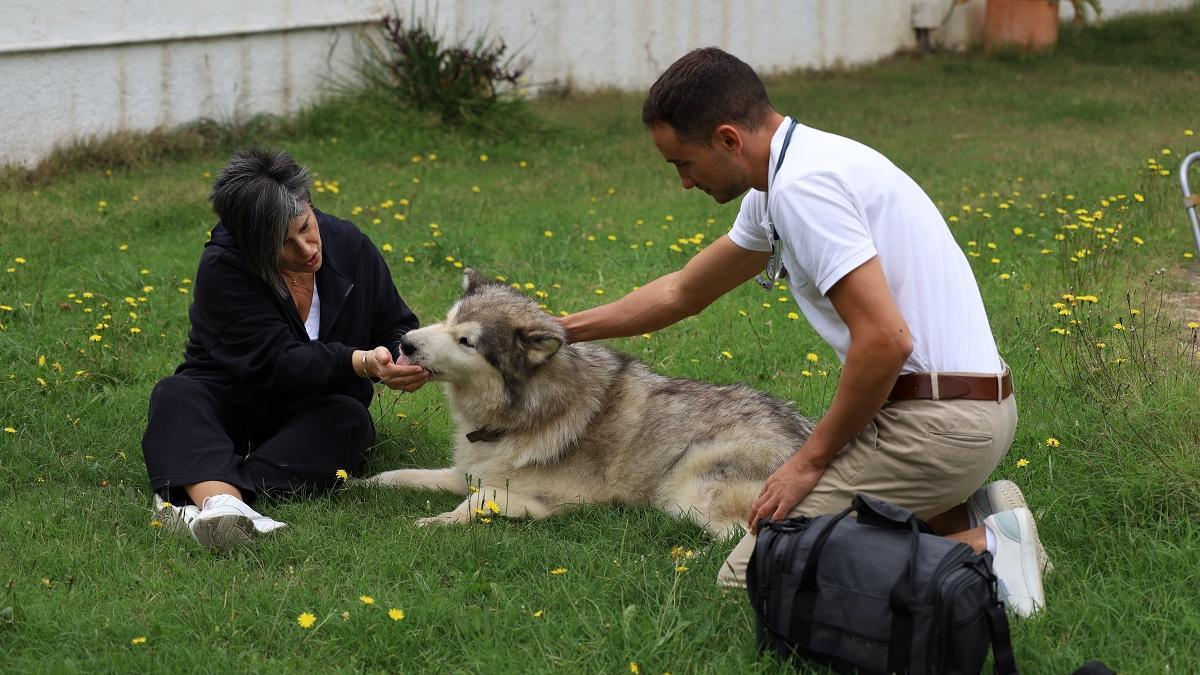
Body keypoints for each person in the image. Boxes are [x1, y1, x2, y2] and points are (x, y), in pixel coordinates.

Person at [561, 48, 1048, 616]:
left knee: (757, 570)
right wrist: (557, 331)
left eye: (682, 163)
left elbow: (886, 341)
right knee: (795, 542)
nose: (684, 183)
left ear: (726, 138)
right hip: (958, 409)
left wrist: (809, 461)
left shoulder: (804, 189)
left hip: (938, 426)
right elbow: (682, 293)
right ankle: (968, 516)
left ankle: (987, 549)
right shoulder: (787, 177)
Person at [142, 147, 429, 550]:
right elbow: (274, 362)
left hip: (315, 408)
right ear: (252, 245)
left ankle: (207, 499)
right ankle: (224, 504)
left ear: (310, 205)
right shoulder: (224, 268)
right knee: (176, 395)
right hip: (235, 396)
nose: (307, 248)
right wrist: (358, 361)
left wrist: (402, 359)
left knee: (349, 420)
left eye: (305, 226)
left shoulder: (349, 244)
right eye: (284, 243)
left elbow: (396, 323)